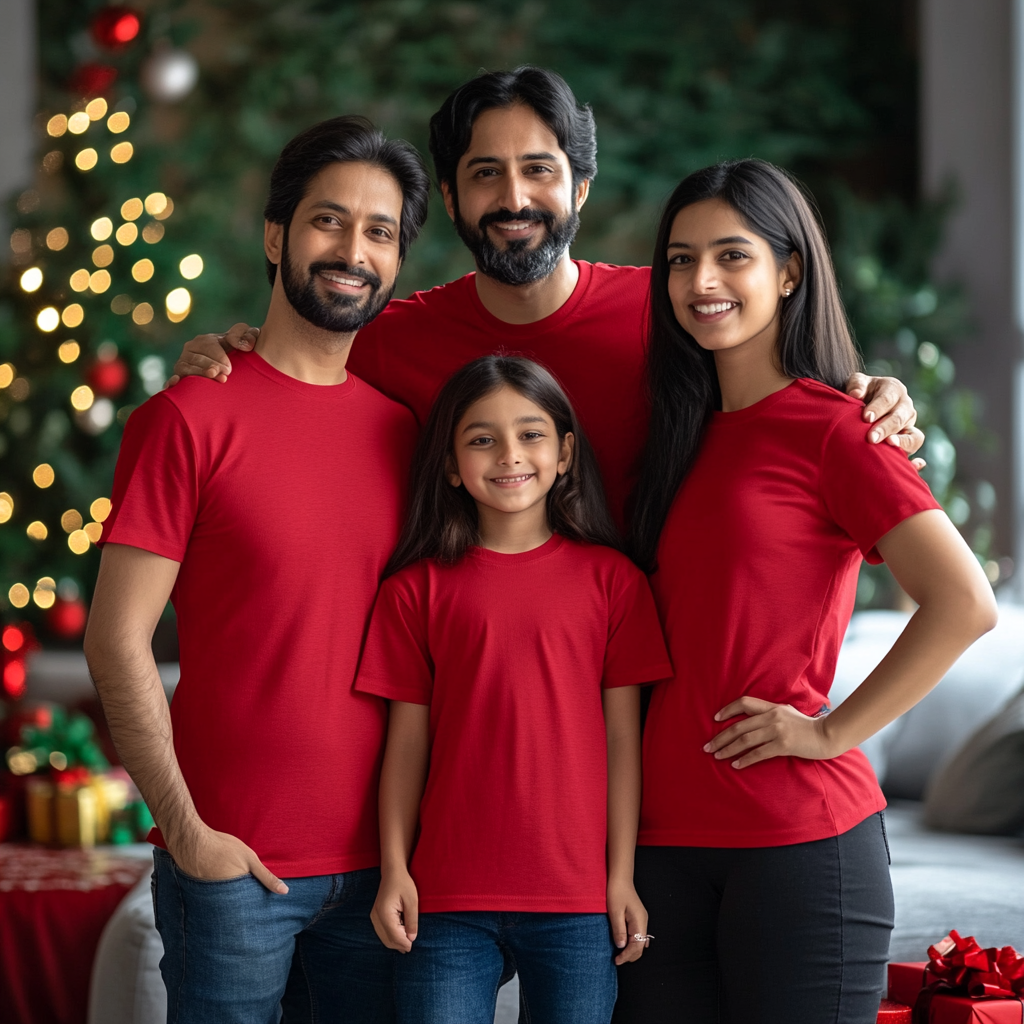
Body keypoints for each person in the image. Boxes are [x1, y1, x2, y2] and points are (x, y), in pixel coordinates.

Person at [166, 66, 925, 529]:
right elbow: (295, 372)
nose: (514, 198)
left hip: (657, 694)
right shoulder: (390, 340)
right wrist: (226, 351)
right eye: (485, 173)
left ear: (579, 187)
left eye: (539, 169)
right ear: (455, 202)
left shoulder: (670, 312)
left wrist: (873, 392)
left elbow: (779, 406)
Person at [613, 159, 998, 1024]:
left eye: (731, 256)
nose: (701, 281)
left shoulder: (840, 430)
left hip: (798, 845)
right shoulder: (670, 439)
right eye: (679, 259)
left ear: (789, 271)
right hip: (658, 848)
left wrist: (833, 732)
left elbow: (964, 601)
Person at [84, 116, 430, 1023]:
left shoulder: (408, 434)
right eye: (329, 221)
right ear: (276, 235)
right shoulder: (187, 419)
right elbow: (116, 638)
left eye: (381, 232)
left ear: (397, 262)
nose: (353, 250)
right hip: (234, 867)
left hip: (384, 874)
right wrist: (187, 832)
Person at [355, 355, 673, 1024]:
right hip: (445, 900)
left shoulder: (615, 584)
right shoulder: (414, 592)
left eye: (530, 434)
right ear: (449, 465)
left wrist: (620, 878)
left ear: (564, 454)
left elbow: (623, 744)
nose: (508, 454)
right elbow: (405, 746)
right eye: (480, 438)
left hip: (578, 902)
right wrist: (393, 869)